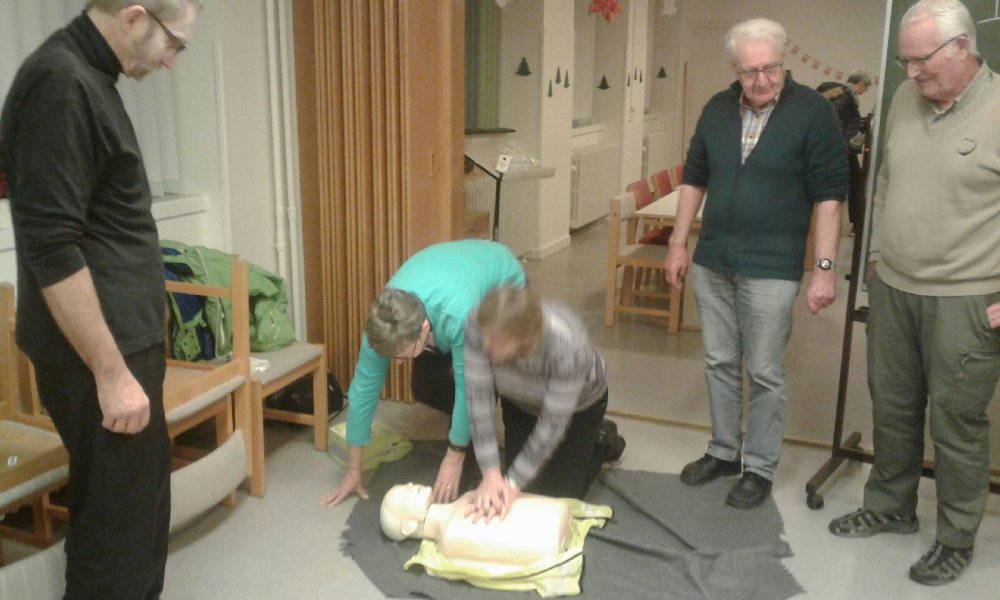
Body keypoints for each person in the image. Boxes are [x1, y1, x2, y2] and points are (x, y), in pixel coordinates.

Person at [0, 1, 201, 598]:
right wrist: (111, 374)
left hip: (122, 348)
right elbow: (52, 247)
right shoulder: (59, 85)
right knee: (116, 536)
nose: (171, 61)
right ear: (135, 17)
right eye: (174, 43)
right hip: (99, 361)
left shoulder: (91, 81)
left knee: (138, 516)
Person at [828, 0, 1000, 586]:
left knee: (956, 423)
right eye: (905, 61)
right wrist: (876, 253)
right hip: (895, 287)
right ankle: (890, 507)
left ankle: (955, 537)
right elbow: (884, 181)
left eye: (922, 59)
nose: (911, 72)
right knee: (893, 407)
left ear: (962, 47)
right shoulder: (904, 98)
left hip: (966, 297)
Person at [663, 18, 847, 509]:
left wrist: (825, 268)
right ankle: (724, 451)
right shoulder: (717, 109)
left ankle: (759, 467)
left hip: (772, 266)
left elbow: (830, 197)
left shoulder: (813, 113)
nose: (763, 80)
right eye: (751, 72)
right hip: (713, 260)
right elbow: (694, 179)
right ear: (735, 70)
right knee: (719, 361)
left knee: (764, 370)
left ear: (784, 62)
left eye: (772, 68)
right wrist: (678, 244)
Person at [321, 240, 526, 508]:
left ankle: (483, 443)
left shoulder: (460, 317)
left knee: (498, 387)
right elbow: (363, 391)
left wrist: (454, 456)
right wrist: (353, 470)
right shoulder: (381, 327)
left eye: (404, 355)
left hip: (503, 286)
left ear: (424, 328)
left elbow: (470, 388)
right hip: (450, 283)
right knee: (424, 386)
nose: (398, 364)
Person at [463, 287, 624, 521]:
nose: (485, 345)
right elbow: (478, 397)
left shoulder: (568, 344)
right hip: (520, 402)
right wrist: (490, 472)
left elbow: (552, 423)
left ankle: (600, 442)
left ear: (524, 340)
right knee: (523, 496)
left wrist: (513, 482)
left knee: (559, 500)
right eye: (485, 336)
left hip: (578, 407)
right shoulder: (480, 321)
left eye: (496, 341)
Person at [380, 482, 572, 565]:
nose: (410, 485)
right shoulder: (450, 537)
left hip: (556, 515)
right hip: (550, 538)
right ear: (408, 527)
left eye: (406, 485)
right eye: (404, 494)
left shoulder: (469, 495)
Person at [817, 70, 873, 235]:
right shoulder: (846, 96)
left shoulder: (834, 92)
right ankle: (856, 224)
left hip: (827, 147)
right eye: (865, 88)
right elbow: (839, 122)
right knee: (855, 183)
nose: (863, 92)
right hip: (840, 148)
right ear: (861, 84)